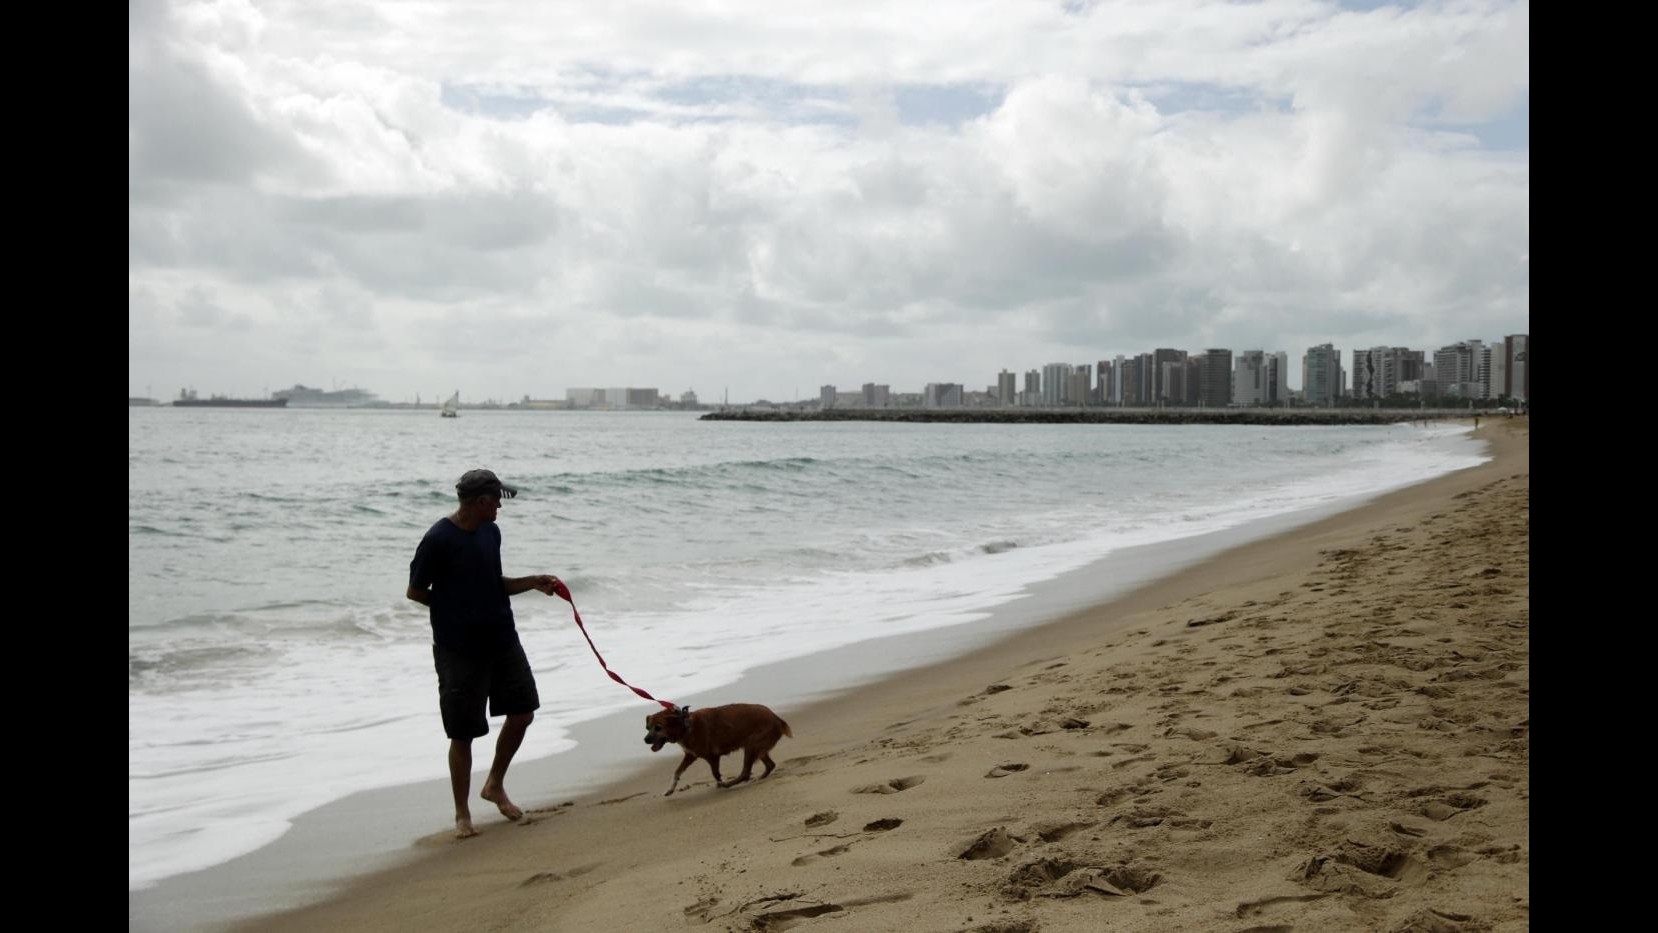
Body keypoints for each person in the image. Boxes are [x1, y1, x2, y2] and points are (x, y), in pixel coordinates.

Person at [407, 469, 561, 838]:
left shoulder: (491, 532)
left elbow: (494, 583)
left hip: (502, 639)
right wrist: (454, 611)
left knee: (523, 712)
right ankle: (462, 814)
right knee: (463, 733)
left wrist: (532, 583)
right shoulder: (438, 539)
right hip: (458, 649)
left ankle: (494, 783)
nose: (500, 508)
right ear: (480, 501)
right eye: (496, 501)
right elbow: (415, 591)